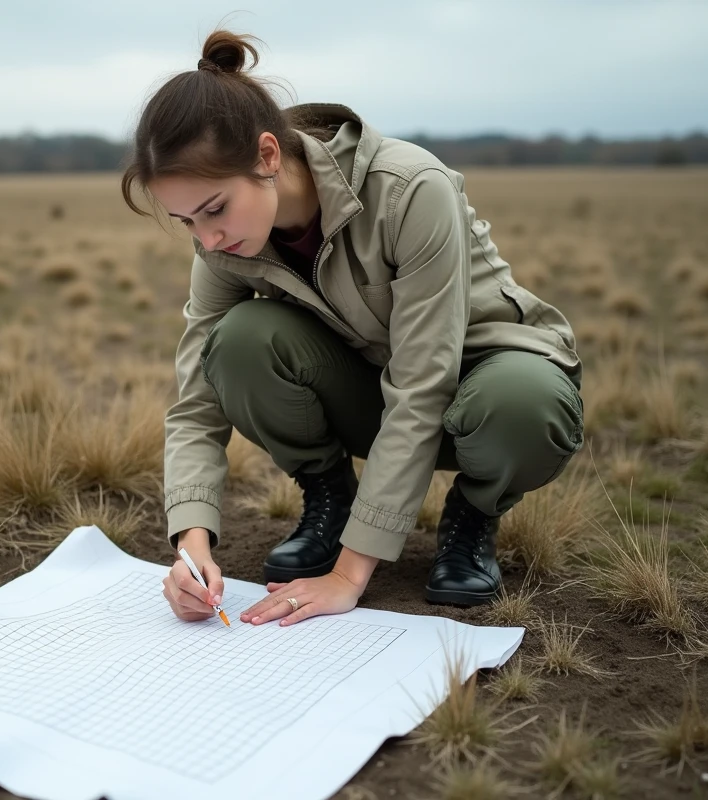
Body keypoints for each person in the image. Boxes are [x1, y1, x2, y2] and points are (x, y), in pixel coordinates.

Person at [120, 29, 584, 628]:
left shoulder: (411, 190)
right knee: (237, 342)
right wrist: (191, 544)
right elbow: (197, 401)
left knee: (526, 401)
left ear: (267, 156)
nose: (207, 239)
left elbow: (422, 386)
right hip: (374, 398)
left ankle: (473, 515)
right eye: (186, 221)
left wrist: (348, 576)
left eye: (214, 209)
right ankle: (330, 500)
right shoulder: (221, 246)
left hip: (483, 398)